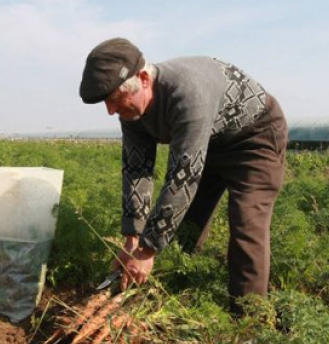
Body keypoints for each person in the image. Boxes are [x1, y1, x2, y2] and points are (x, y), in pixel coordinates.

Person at [79, 38, 287, 314]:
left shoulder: (188, 94)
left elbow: (182, 177)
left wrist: (147, 250)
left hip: (254, 138)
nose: (111, 110)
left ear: (142, 78)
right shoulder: (132, 111)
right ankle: (181, 292)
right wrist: (132, 237)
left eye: (115, 99)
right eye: (107, 102)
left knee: (247, 225)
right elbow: (137, 170)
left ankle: (248, 326)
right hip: (212, 140)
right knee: (187, 224)